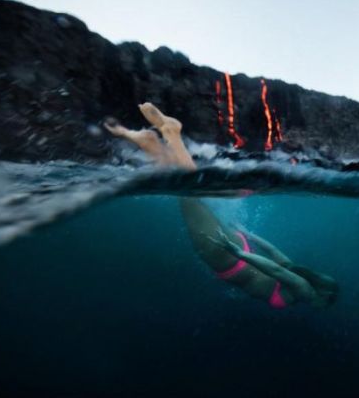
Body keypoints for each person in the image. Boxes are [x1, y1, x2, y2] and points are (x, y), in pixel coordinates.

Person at [104, 103, 338, 309]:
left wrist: (246, 235)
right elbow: (276, 271)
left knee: (186, 196)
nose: (321, 308)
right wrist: (239, 253)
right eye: (324, 304)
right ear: (322, 294)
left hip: (236, 250)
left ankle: (152, 145)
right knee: (188, 193)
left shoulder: (300, 275)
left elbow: (275, 255)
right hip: (229, 258)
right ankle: (172, 134)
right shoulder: (304, 292)